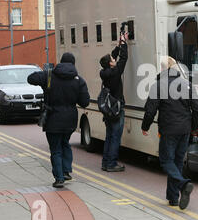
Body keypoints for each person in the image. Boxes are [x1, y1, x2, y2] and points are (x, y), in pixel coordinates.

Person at [141, 56, 198, 210]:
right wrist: (193, 127)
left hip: (168, 129)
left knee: (166, 161)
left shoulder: (159, 85)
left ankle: (183, 184)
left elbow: (150, 110)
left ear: (162, 69)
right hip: (185, 129)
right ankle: (173, 198)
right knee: (177, 163)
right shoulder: (187, 84)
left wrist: (145, 127)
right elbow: (197, 108)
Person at [27, 53, 90, 188]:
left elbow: (30, 78)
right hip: (70, 120)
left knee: (56, 149)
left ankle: (59, 178)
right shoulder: (79, 80)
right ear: (73, 64)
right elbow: (85, 102)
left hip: (53, 118)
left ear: (60, 62)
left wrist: (45, 73)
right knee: (65, 143)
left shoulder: (49, 76)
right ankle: (66, 171)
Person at [99, 31, 128, 172]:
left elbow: (116, 56)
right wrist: (124, 44)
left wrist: (118, 46)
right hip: (117, 108)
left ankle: (105, 162)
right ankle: (111, 163)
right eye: (112, 59)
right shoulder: (115, 72)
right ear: (111, 64)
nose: (114, 59)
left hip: (108, 109)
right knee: (116, 136)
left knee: (109, 136)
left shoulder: (105, 72)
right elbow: (124, 58)